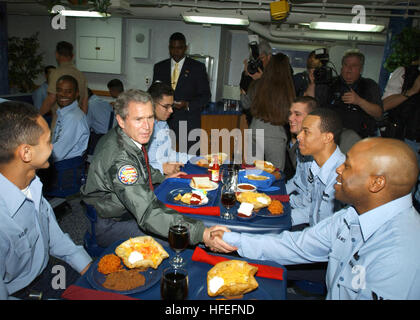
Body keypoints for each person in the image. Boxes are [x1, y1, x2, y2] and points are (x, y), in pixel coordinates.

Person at [216, 137, 420, 300]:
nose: (339, 169)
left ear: (377, 183)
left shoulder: (400, 254)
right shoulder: (352, 216)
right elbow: (297, 245)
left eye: (347, 166)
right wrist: (231, 239)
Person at [80, 89, 230, 250]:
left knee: (185, 213)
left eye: (150, 118)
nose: (147, 127)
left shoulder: (126, 137)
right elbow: (148, 213)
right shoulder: (121, 161)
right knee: (177, 240)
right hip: (111, 224)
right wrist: (202, 234)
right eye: (138, 119)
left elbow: (142, 167)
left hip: (124, 212)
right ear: (121, 121)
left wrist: (162, 177)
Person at [0, 101, 92, 300]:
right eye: (49, 140)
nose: (53, 147)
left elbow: (57, 240)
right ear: (26, 153)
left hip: (47, 272)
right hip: (17, 292)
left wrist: (91, 271)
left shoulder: (33, 185)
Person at [152, 32, 211, 156]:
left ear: (185, 48)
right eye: (173, 48)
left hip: (188, 121)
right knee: (162, 155)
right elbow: (154, 93)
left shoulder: (197, 68)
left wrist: (188, 104)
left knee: (191, 158)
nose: (176, 51)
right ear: (169, 48)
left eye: (179, 48)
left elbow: (206, 96)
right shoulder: (159, 67)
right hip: (164, 121)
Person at [287, 108, 345, 228]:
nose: (299, 136)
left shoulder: (341, 175)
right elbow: (312, 212)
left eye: (306, 132)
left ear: (327, 138)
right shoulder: (317, 167)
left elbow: (326, 231)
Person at [285, 96, 360, 179]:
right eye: (290, 113)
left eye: (297, 114)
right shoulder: (298, 142)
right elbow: (299, 180)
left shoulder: (348, 139)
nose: (290, 118)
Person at [243, 52, 295, 171]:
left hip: (255, 131)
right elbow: (289, 114)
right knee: (275, 174)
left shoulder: (258, 84)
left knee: (252, 172)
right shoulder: (288, 87)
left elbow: (245, 104)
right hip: (275, 135)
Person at [314, 50, 383, 138]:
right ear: (341, 68)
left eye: (354, 66)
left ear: (361, 69)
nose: (349, 69)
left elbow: (379, 114)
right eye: (346, 65)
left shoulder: (369, 85)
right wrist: (314, 82)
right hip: (333, 137)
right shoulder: (330, 84)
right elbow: (315, 107)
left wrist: (359, 101)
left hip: (361, 138)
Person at [382, 56, 420, 209]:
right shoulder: (405, 73)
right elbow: (384, 105)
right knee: (401, 193)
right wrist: (412, 91)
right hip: (406, 142)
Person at [39, 42, 89, 130]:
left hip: (60, 121)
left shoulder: (56, 73)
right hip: (76, 119)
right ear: (72, 56)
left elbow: (51, 98)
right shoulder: (80, 74)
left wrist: (37, 115)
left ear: (57, 55)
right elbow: (85, 101)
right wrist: (82, 120)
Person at [147, 82, 193, 175]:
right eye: (166, 106)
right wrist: (162, 168)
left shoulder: (163, 124)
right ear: (152, 104)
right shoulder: (142, 128)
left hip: (162, 176)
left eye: (171, 106)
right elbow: (136, 165)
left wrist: (199, 159)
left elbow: (169, 154)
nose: (171, 110)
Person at [51, 75, 90, 162]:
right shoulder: (64, 112)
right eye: (59, 90)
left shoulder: (73, 118)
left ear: (76, 94)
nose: (62, 94)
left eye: (68, 91)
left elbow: (57, 154)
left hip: (66, 169)